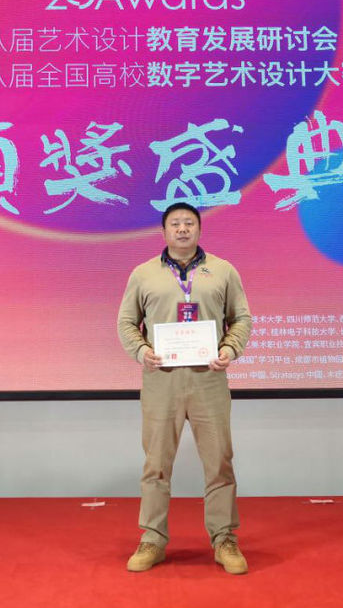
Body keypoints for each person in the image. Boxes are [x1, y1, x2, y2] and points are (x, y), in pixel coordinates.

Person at [117, 202, 252, 575]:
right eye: (175, 223)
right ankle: (152, 539)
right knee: (156, 464)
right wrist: (142, 351)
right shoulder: (144, 274)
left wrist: (229, 349)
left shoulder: (222, 270)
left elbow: (241, 317)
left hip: (209, 378)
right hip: (162, 380)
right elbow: (127, 322)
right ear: (164, 231)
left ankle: (224, 539)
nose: (182, 229)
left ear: (199, 229)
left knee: (219, 462)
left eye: (189, 223)